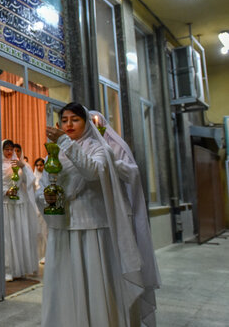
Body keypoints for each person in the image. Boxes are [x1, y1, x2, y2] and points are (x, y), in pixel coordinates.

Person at [37, 102, 143, 327]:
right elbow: (44, 184)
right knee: (65, 283)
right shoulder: (53, 153)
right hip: (63, 226)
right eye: (64, 120)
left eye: (74, 119)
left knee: (94, 283)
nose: (69, 124)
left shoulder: (99, 148)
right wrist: (46, 197)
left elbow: (92, 172)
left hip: (92, 226)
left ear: (85, 123)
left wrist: (65, 141)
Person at [90, 111, 161, 327]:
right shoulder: (82, 147)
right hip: (95, 217)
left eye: (97, 123)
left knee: (120, 270)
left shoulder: (116, 146)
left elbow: (133, 174)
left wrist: (111, 160)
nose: (94, 127)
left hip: (119, 215)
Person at [2, 140, 38, 281]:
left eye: (11, 149)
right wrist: (5, 192)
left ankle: (20, 268)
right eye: (7, 149)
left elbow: (31, 182)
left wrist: (24, 166)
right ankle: (8, 269)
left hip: (20, 204)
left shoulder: (20, 165)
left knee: (19, 234)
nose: (10, 152)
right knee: (7, 237)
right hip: (6, 203)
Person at [32, 157, 48, 264]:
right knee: (37, 233)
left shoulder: (47, 177)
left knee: (45, 232)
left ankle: (47, 255)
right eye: (37, 165)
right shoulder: (33, 178)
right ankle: (38, 255)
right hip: (35, 208)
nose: (39, 167)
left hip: (46, 207)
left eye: (41, 165)